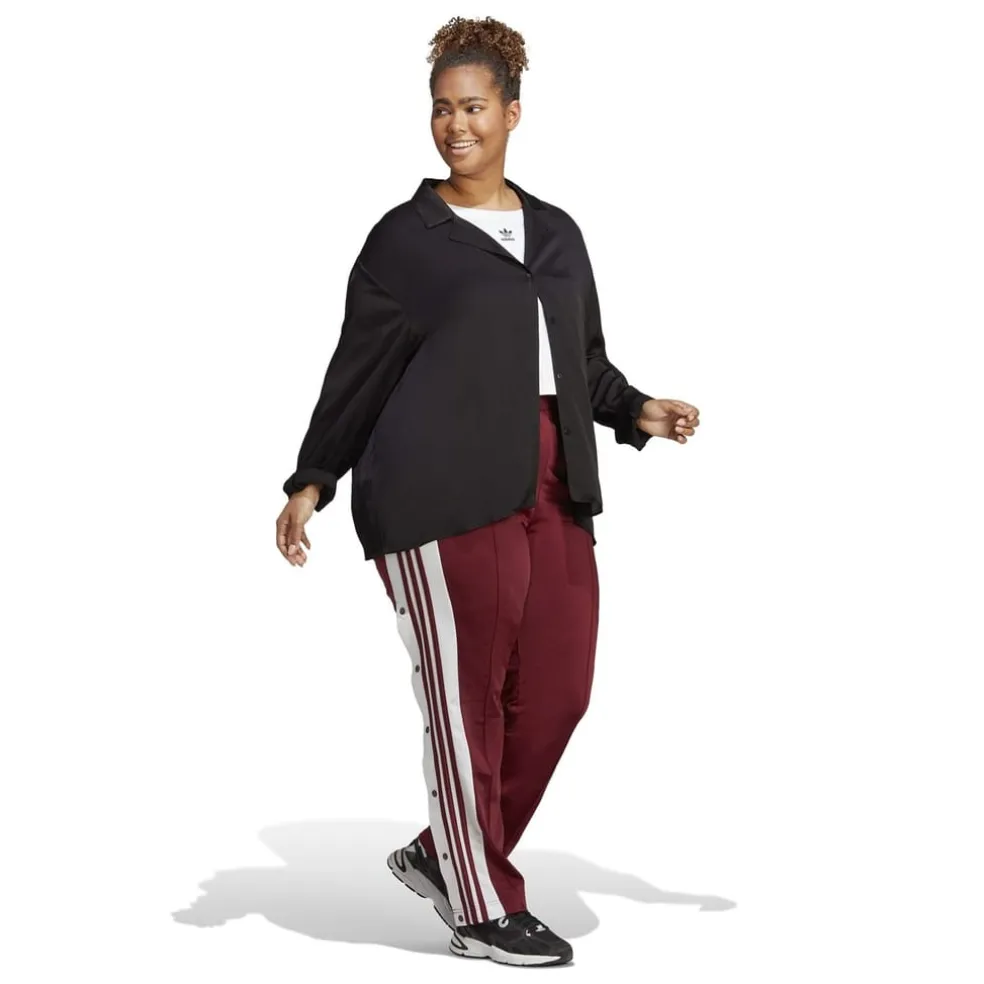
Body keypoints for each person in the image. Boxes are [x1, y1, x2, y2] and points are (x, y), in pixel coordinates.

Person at [275, 15, 700, 968]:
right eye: (442, 108)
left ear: (512, 112)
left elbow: (582, 365)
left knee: (558, 694)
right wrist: (313, 479)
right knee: (467, 702)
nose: (455, 125)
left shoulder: (557, 233)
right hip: (436, 490)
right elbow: (358, 370)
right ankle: (479, 904)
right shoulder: (404, 240)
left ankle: (444, 852)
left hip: (554, 481)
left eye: (473, 107)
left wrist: (638, 410)